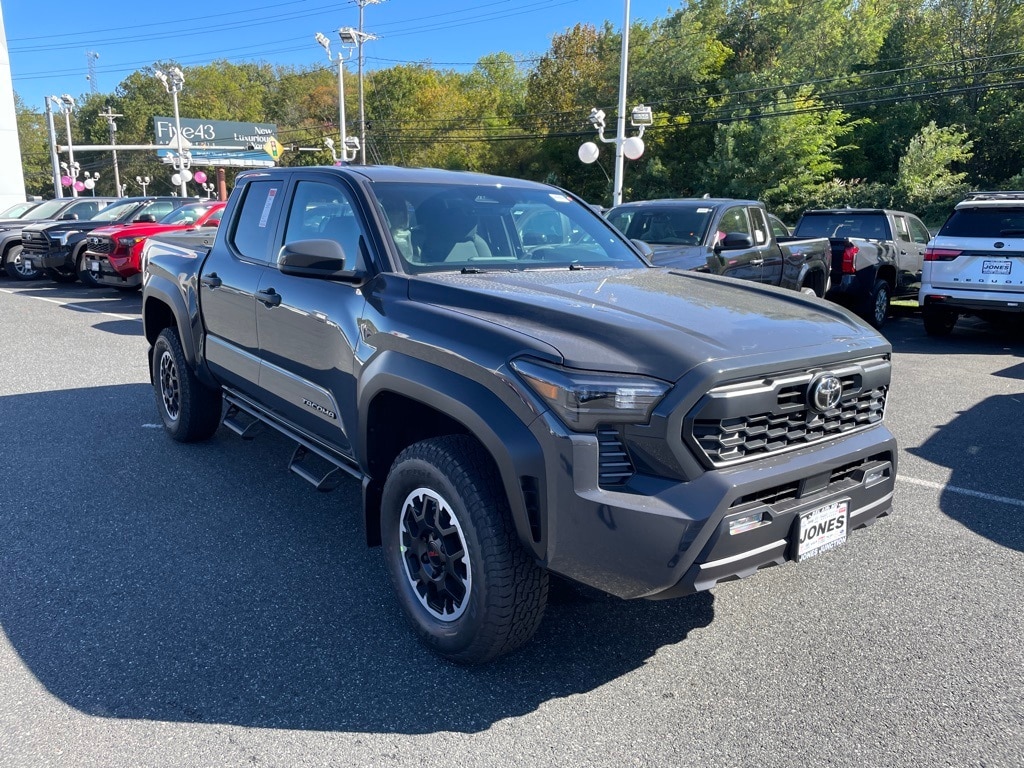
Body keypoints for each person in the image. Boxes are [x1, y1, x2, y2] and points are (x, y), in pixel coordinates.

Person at [378, 193, 413, 260]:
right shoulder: (373, 239)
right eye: (392, 209)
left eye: (402, 209)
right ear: (383, 214)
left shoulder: (410, 236)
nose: (401, 213)